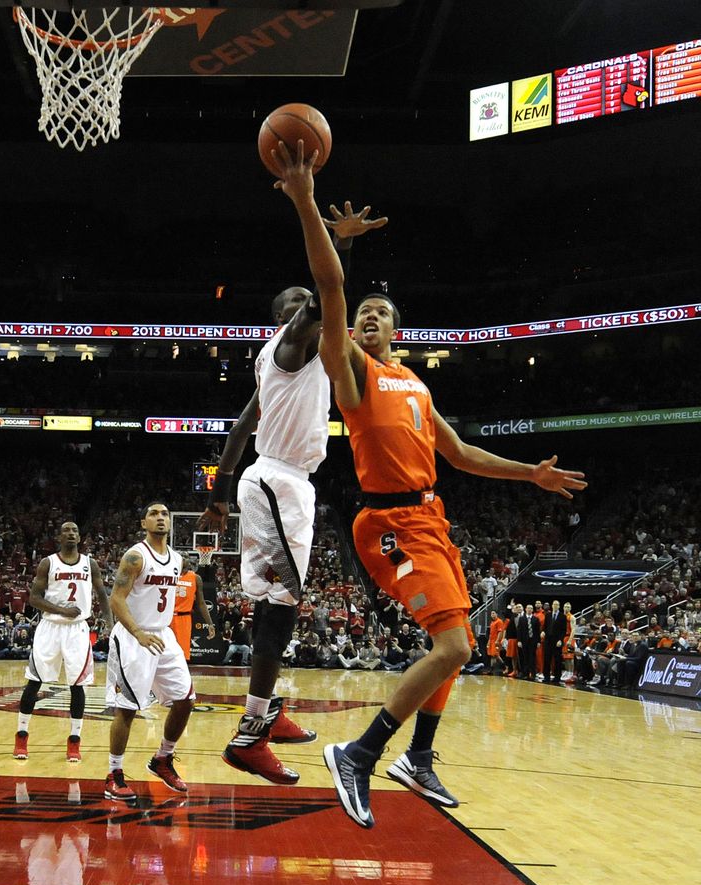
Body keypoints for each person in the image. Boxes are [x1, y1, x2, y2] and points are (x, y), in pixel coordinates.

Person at [284, 144, 588, 828]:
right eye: (363, 313)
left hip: (430, 516)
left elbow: (459, 452)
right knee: (450, 646)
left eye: (381, 314)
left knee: (461, 648)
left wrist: (530, 473)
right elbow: (328, 290)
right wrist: (310, 207)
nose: (369, 317)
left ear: (401, 330)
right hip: (387, 523)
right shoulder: (353, 373)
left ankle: (418, 757)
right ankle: (361, 752)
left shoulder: (417, 384)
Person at [196, 150, 383, 785]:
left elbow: (242, 423)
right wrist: (331, 233)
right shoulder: (291, 343)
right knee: (280, 611)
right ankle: (250, 734)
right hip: (278, 481)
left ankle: (268, 711)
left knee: (279, 606)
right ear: (288, 320)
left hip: (272, 481)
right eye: (304, 308)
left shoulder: (273, 362)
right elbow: (329, 291)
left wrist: (220, 492)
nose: (318, 313)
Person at [103, 502, 195, 802]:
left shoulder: (178, 560)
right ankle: (114, 773)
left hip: (163, 636)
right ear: (144, 522)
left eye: (165, 514)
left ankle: (163, 759)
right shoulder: (135, 556)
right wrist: (138, 633)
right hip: (133, 636)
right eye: (154, 514)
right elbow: (116, 599)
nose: (160, 518)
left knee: (185, 699)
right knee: (127, 708)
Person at [13, 520, 112, 763]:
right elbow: (34, 599)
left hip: (77, 629)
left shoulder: (91, 564)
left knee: (77, 685)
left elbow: (102, 594)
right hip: (50, 628)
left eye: (75, 530)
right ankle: (22, 735)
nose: (71, 533)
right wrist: (61, 610)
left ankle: (74, 742)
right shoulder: (49, 562)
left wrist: (110, 624)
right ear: (59, 537)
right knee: (34, 681)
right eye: (66, 530)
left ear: (80, 538)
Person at [171, 553, 215, 662]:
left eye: (186, 557)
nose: (184, 559)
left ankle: (181, 678)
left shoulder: (195, 578)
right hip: (166, 618)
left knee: (181, 656)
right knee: (163, 653)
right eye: (181, 556)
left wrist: (210, 623)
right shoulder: (168, 574)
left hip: (183, 618)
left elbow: (201, 603)